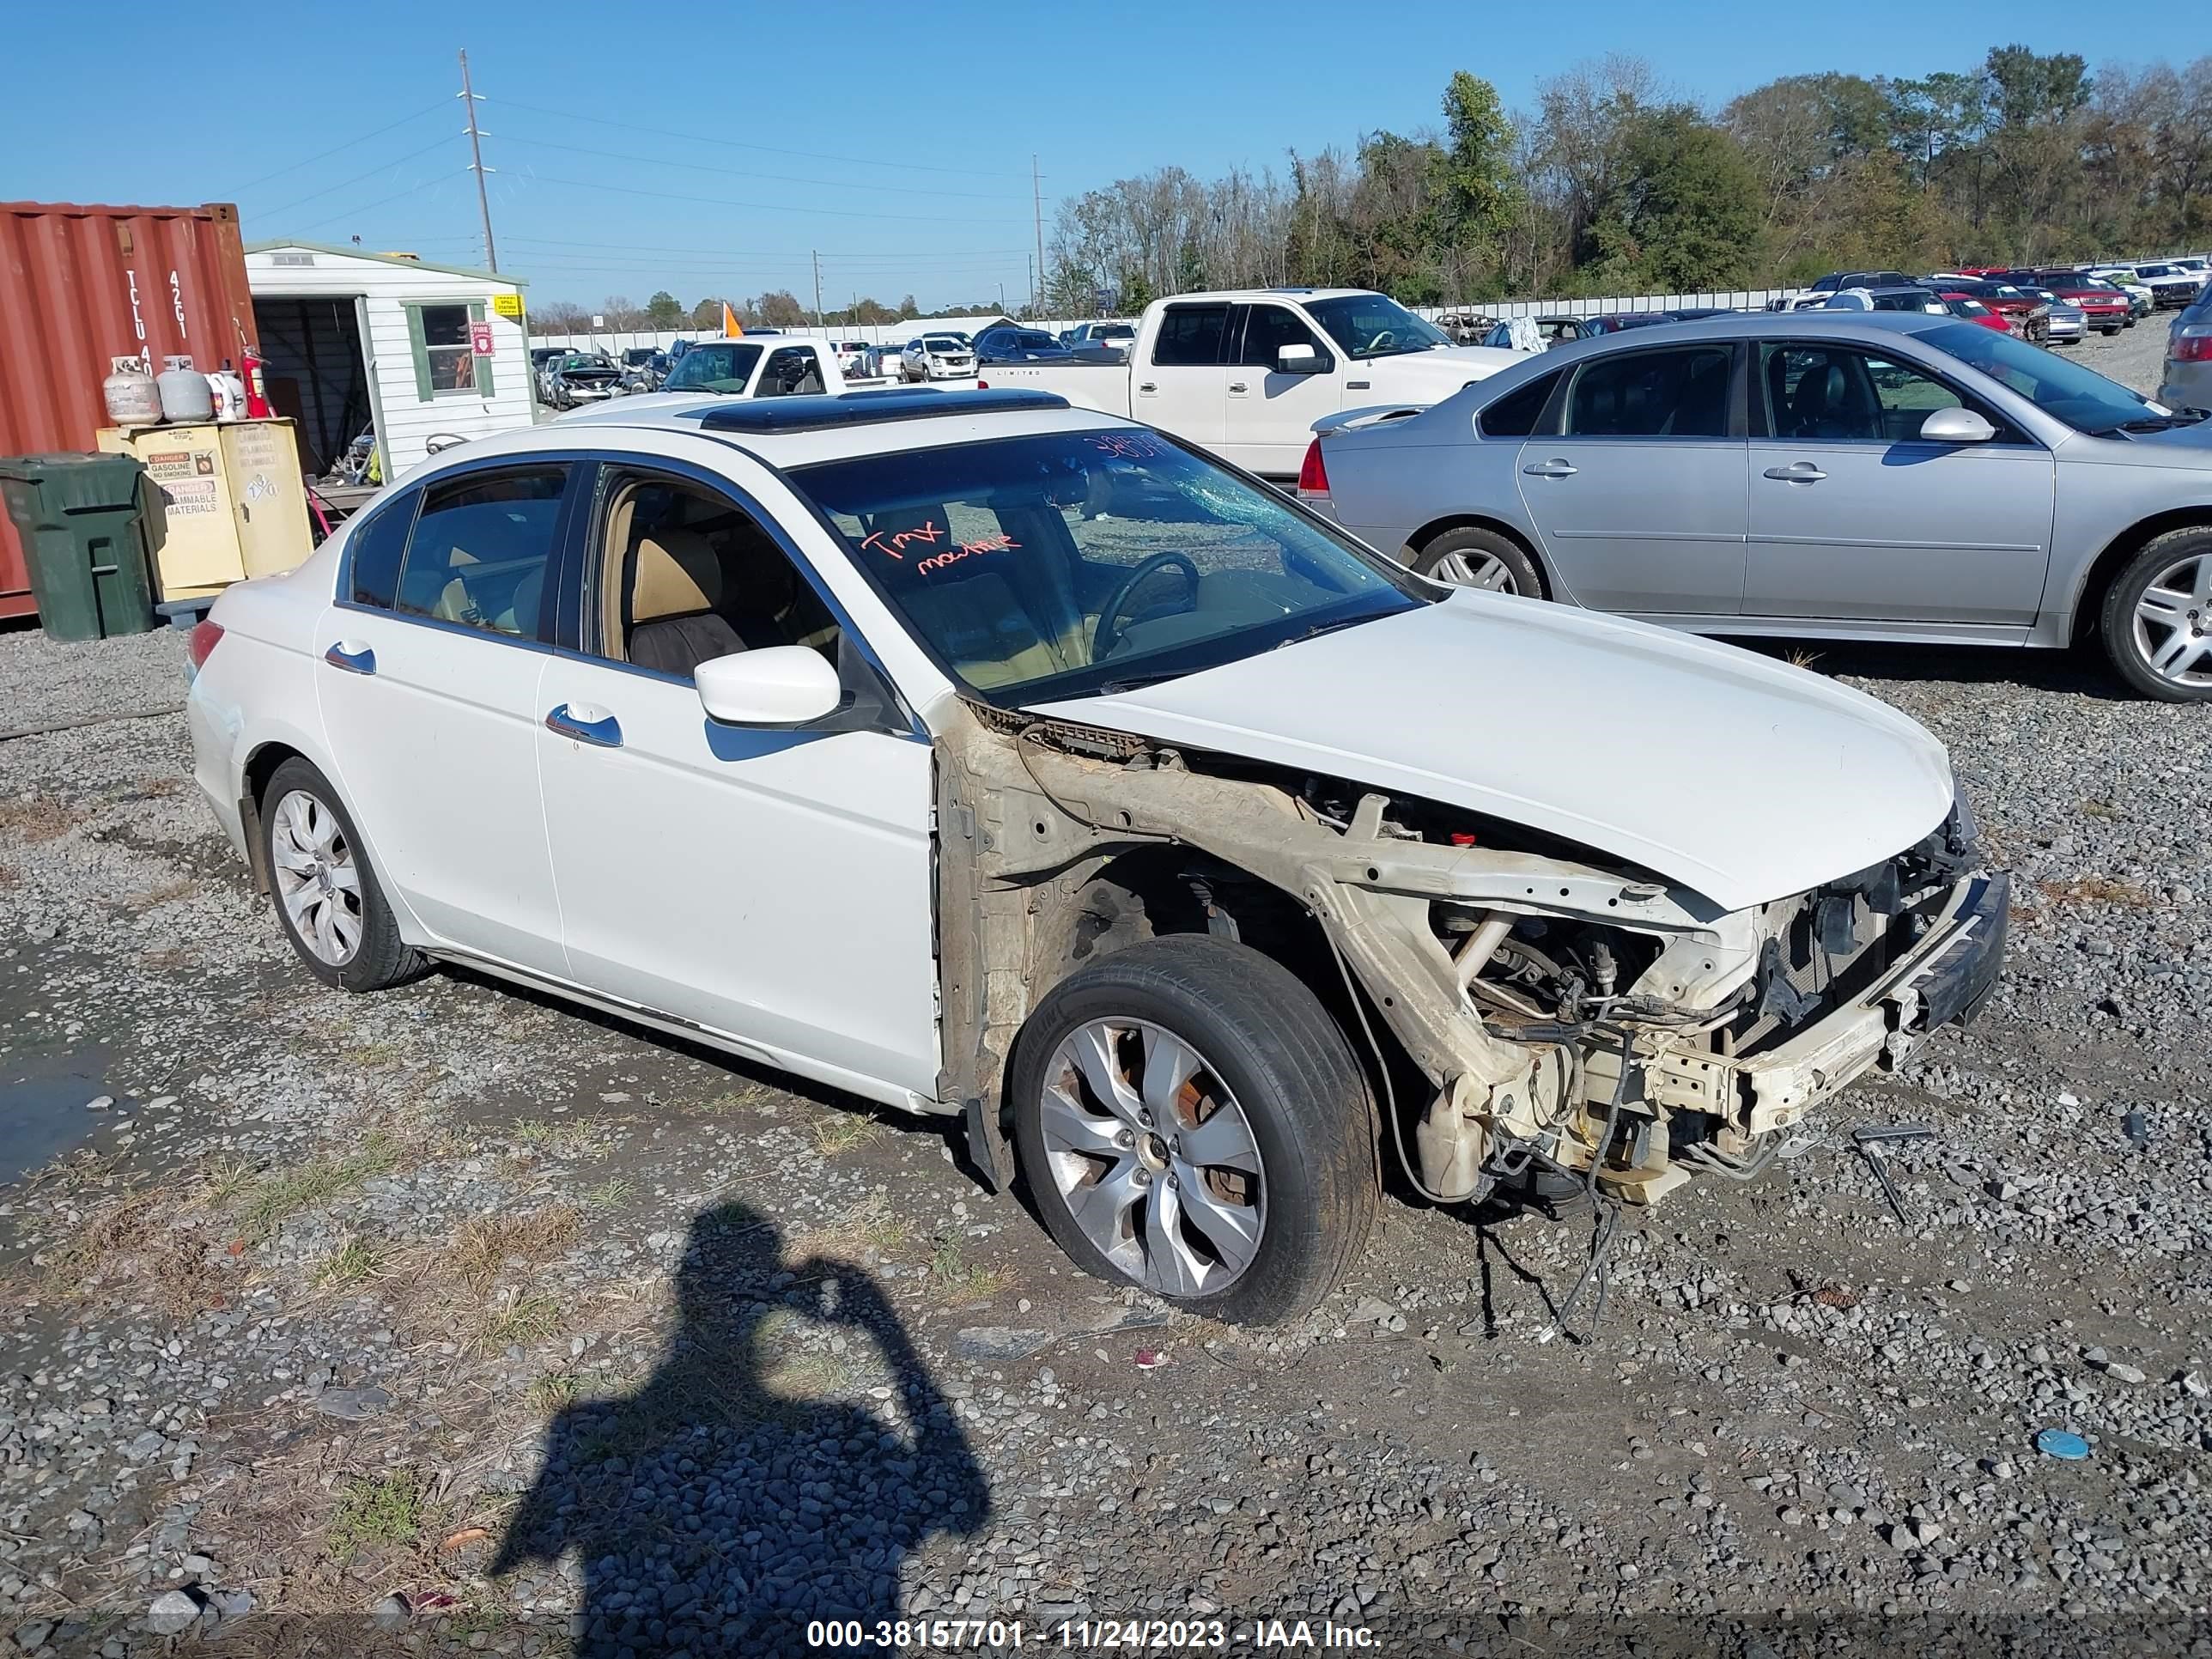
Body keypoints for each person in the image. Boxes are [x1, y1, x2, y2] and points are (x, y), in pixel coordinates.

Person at [493, 1200, 989, 1654]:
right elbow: (966, 1512)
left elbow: (529, 1554)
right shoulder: (856, 1424)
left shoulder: (579, 1425)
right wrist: (888, 1334)